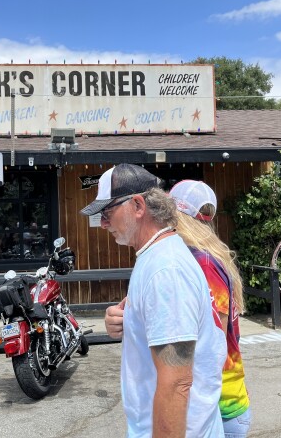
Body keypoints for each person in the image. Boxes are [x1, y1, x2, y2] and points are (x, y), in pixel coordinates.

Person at [82, 164, 226, 437]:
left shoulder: (165, 270)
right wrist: (127, 318)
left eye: (107, 211)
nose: (102, 223)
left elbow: (177, 382)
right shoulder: (160, 257)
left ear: (138, 205)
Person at [169, 180, 251, 437]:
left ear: (178, 216)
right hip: (222, 401)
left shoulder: (202, 262)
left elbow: (212, 340)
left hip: (218, 406)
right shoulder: (205, 256)